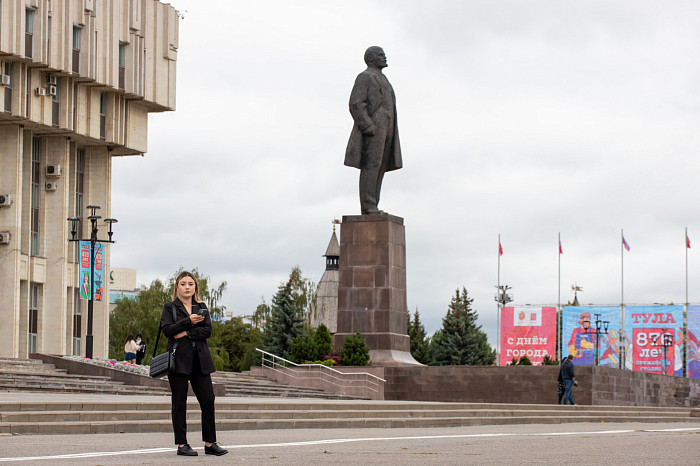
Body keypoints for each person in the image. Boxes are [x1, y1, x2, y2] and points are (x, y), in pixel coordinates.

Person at [160, 271, 228, 457]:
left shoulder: (201, 306)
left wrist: (186, 333)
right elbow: (168, 330)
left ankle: (209, 443)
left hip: (200, 361)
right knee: (179, 403)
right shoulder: (170, 307)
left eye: (190, 284)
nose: (187, 287)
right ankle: (182, 444)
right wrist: (188, 321)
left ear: (195, 287)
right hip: (179, 361)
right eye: (183, 284)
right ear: (177, 287)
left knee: (208, 400)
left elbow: (207, 330)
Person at [345, 46, 402, 215]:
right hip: (374, 126)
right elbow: (355, 103)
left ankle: (374, 204)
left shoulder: (384, 79)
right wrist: (367, 125)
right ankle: (368, 205)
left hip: (388, 126)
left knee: (381, 165)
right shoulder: (365, 77)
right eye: (380, 55)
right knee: (372, 164)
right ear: (370, 59)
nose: (384, 57)